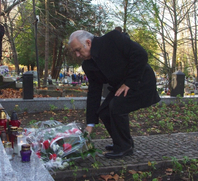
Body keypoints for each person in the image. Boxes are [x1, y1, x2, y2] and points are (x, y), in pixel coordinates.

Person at [68, 30, 161, 159]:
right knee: (104, 111)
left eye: (78, 50)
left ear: (88, 43)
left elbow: (141, 54)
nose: (77, 55)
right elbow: (94, 92)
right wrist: (90, 124)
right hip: (122, 85)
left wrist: (129, 82)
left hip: (141, 81)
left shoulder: (113, 39)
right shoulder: (88, 64)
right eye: (75, 52)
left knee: (117, 106)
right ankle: (122, 142)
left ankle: (124, 147)